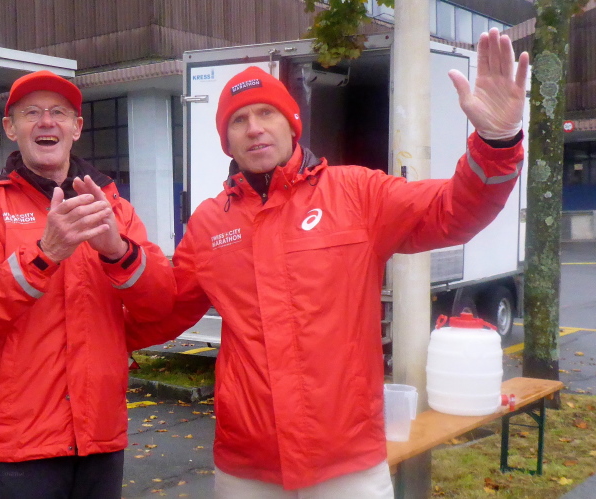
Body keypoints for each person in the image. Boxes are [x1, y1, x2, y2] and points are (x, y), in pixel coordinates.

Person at [126, 28, 528, 497]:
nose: (254, 127)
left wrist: (496, 143)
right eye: (238, 120)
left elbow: (453, 210)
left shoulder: (357, 193)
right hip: (248, 464)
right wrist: (103, 317)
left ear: (292, 123)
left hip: (347, 459)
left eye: (266, 113)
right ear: (226, 141)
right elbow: (167, 308)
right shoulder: (209, 224)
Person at [0, 70, 175, 498]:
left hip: (100, 437)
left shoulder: (114, 209)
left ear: (76, 127)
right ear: (11, 128)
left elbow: (160, 305)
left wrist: (118, 251)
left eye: (59, 113)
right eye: (31, 113)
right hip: (18, 446)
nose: (46, 122)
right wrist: (44, 255)